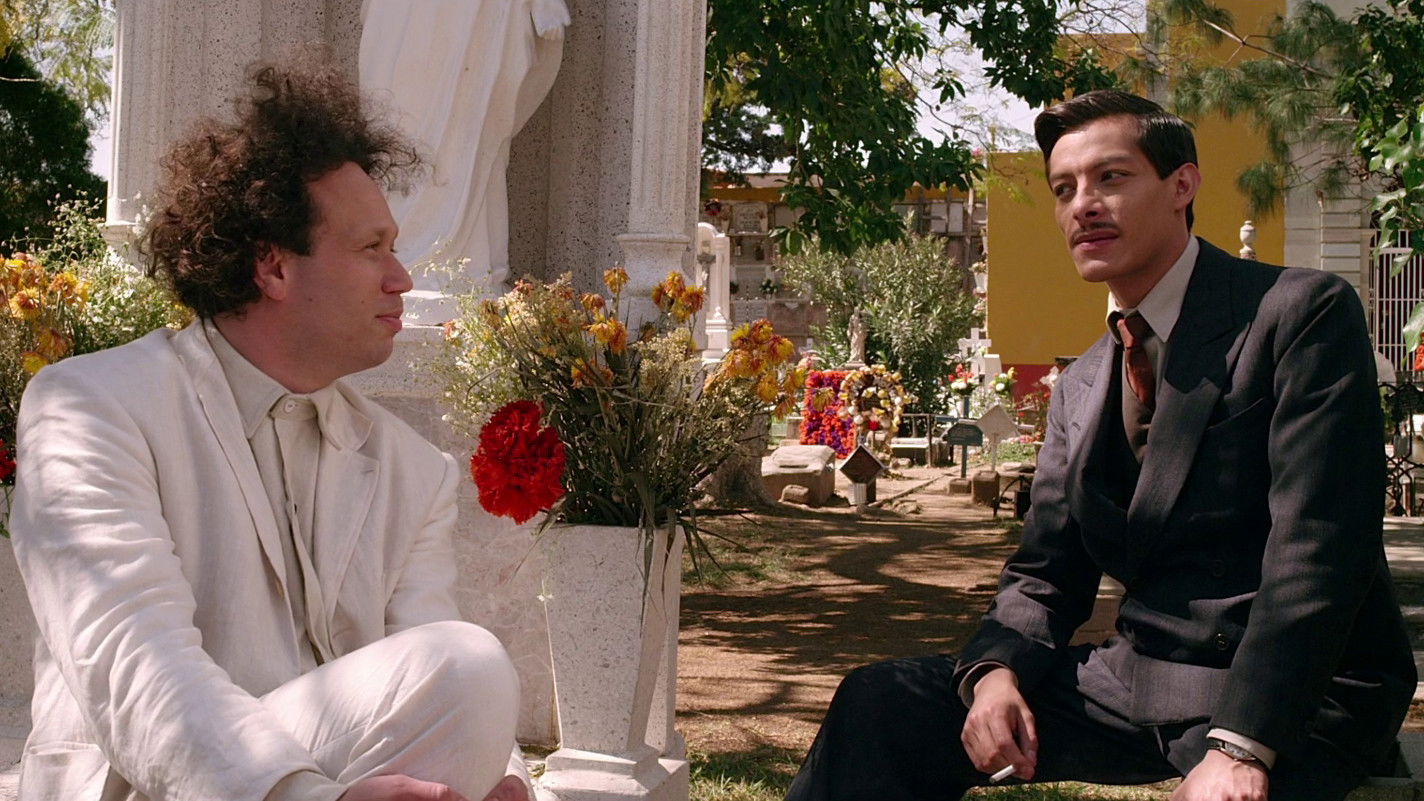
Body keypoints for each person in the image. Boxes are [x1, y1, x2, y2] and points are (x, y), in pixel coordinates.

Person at [784, 89, 1415, 801]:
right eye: (1064, 189)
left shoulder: (1297, 314)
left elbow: (1319, 547)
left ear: (1182, 185)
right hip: (1140, 679)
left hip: (1300, 690)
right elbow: (1046, 571)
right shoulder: (1082, 383)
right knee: (882, 703)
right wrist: (995, 672)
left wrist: (1242, 744)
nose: (1083, 205)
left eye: (1110, 177)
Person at [12, 64, 531, 801]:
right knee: (466, 666)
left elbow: (433, 682)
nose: (402, 279)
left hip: (345, 771)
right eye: (372, 248)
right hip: (156, 785)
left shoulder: (415, 471)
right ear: (273, 266)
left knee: (468, 675)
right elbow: (134, 665)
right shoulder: (89, 406)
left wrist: (502, 777)